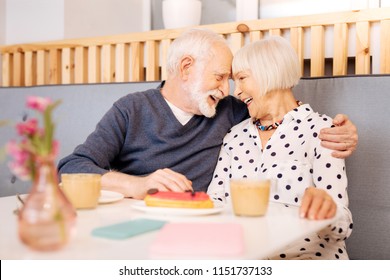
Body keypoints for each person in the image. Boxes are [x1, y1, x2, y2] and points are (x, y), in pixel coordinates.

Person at [58, 29, 358, 200]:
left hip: (197, 231)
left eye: (233, 79)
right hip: (137, 222)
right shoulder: (132, 109)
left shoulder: (231, 111)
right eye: (219, 77)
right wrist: (136, 184)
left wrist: (339, 131)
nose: (227, 89)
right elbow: (71, 167)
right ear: (187, 67)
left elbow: (278, 108)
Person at [207, 36, 353, 259]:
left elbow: (343, 224)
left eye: (242, 78)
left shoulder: (322, 130)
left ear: (271, 72)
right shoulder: (234, 136)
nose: (235, 92)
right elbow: (214, 203)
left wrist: (328, 212)